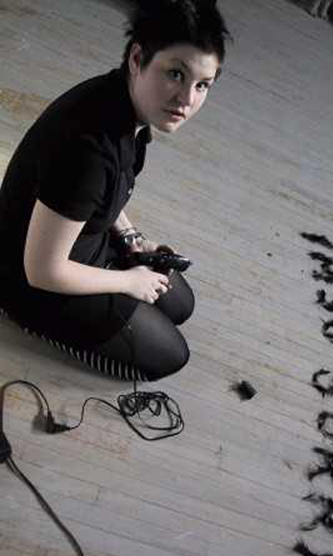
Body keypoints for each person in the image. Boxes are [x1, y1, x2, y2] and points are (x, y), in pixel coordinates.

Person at [0, 0, 231, 381]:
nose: (187, 100)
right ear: (137, 59)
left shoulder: (125, 103)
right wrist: (128, 281)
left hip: (79, 243)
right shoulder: (88, 149)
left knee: (179, 303)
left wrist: (132, 239)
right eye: (175, 74)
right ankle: (26, 318)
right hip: (31, 278)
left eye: (202, 84)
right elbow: (42, 270)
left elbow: (106, 193)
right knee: (170, 356)